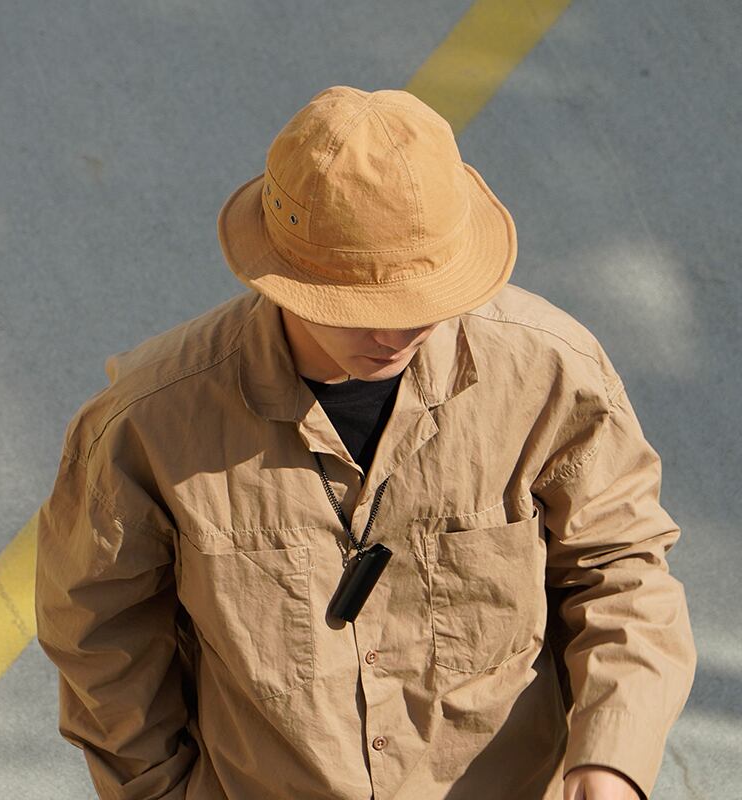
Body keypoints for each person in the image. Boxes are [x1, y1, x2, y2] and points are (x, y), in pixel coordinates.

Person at [35, 85, 696, 800]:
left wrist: (612, 759)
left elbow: (621, 571)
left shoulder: (551, 376)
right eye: (357, 306)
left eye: (425, 302)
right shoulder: (150, 421)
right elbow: (99, 634)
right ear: (282, 276)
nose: (394, 333)